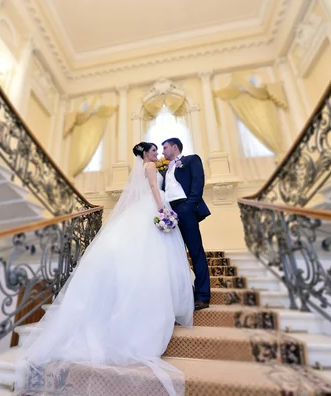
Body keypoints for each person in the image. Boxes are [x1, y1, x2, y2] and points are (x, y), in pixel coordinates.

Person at [15, 142, 194, 396]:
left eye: (157, 150)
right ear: (146, 154)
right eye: (154, 150)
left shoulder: (143, 167)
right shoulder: (151, 166)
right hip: (153, 207)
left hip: (141, 211)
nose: (156, 154)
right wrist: (162, 210)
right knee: (154, 260)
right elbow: (155, 187)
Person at [162, 138, 211, 311]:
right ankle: (184, 295)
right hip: (170, 212)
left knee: (195, 251)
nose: (163, 152)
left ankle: (203, 296)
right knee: (176, 254)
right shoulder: (164, 169)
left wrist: (190, 205)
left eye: (165, 148)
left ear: (175, 147)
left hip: (185, 207)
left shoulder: (191, 160)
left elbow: (198, 181)